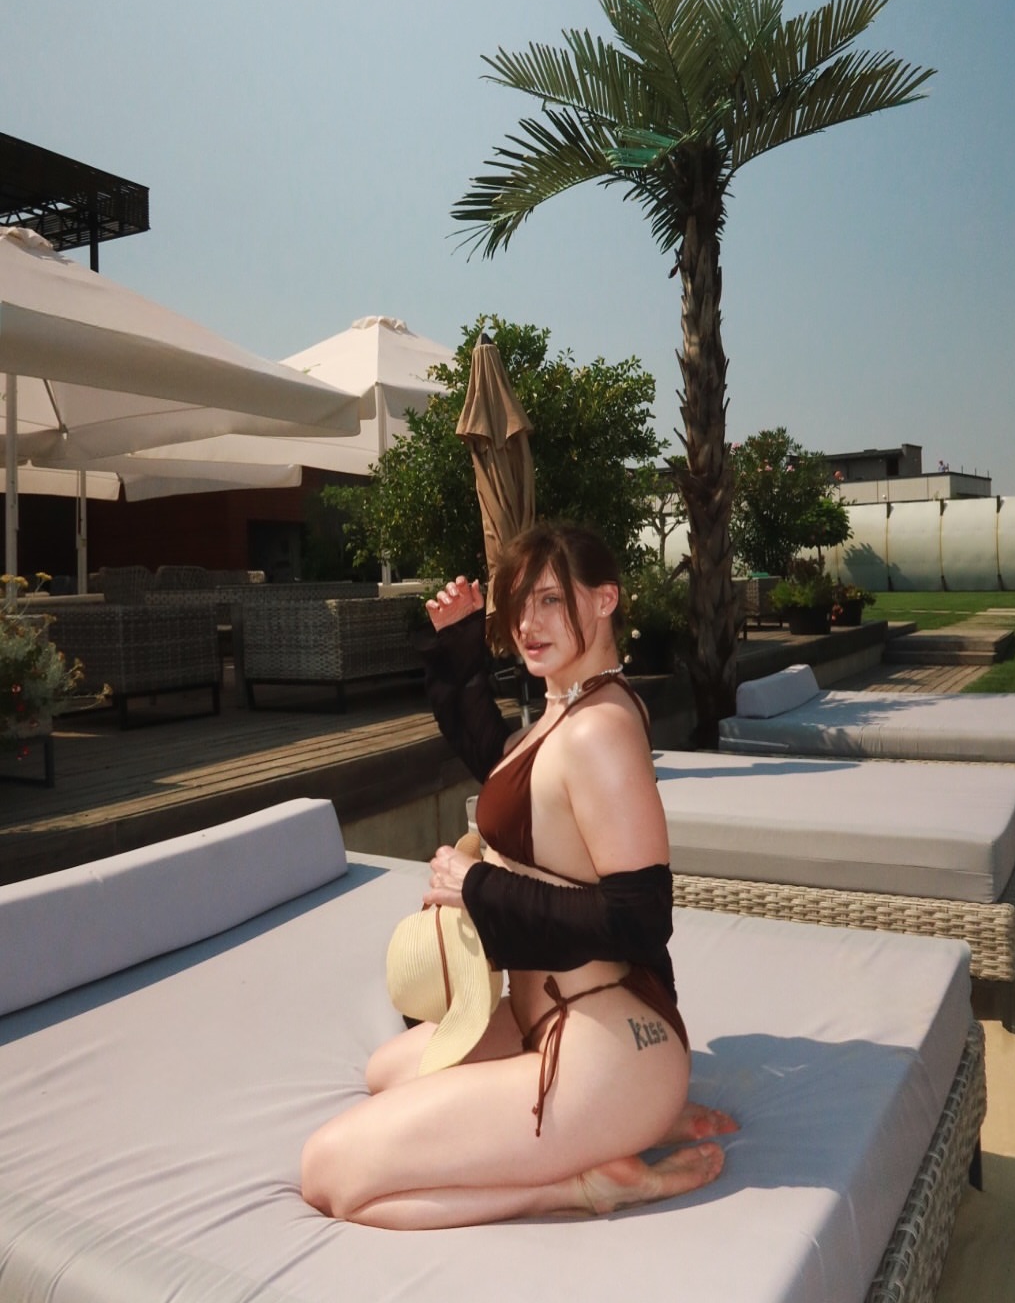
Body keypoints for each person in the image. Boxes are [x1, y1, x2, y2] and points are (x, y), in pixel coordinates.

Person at [301, 523, 736, 1228]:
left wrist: (475, 888)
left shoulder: (599, 730)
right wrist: (461, 648)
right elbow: (505, 773)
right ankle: (627, 1121)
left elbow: (640, 919)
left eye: (550, 601)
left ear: (604, 601)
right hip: (550, 1021)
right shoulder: (567, 705)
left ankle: (589, 1183)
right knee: (387, 1073)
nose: (528, 625)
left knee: (329, 1173)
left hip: (603, 1044)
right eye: (518, 606)